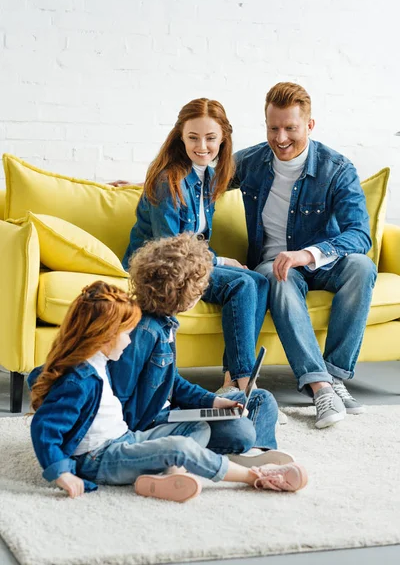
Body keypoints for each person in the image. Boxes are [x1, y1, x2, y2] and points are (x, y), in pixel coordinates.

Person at [28, 280, 308, 503]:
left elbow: (170, 381)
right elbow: (44, 427)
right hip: (98, 459)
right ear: (104, 336)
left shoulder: (98, 362)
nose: (129, 339)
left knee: (197, 429)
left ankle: (170, 474)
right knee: (179, 447)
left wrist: (212, 400)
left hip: (124, 438)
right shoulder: (79, 379)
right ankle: (255, 476)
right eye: (125, 333)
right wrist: (62, 473)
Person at [231, 82, 377, 429]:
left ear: (309, 126)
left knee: (362, 266)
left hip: (323, 261)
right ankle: (320, 386)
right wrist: (142, 187)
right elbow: (197, 179)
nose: (280, 138)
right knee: (277, 275)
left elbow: (360, 234)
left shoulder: (336, 168)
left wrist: (308, 254)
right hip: (274, 264)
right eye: (273, 128)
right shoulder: (250, 163)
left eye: (290, 128)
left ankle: (336, 375)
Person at [122, 98, 269, 393]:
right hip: (163, 267)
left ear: (223, 138)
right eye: (193, 137)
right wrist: (220, 261)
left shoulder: (210, 177)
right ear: (181, 137)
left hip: (189, 262)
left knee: (260, 281)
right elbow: (171, 248)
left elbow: (195, 239)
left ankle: (231, 382)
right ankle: (244, 385)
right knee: (241, 284)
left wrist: (215, 259)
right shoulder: (168, 179)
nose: (202, 145)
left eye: (211, 138)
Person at [113, 232, 294, 468]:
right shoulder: (143, 332)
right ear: (187, 293)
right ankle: (236, 446)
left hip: (173, 411)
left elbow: (170, 383)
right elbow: (121, 399)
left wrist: (212, 403)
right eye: (200, 287)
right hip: (156, 422)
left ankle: (254, 452)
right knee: (240, 430)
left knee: (261, 400)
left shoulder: (166, 323)